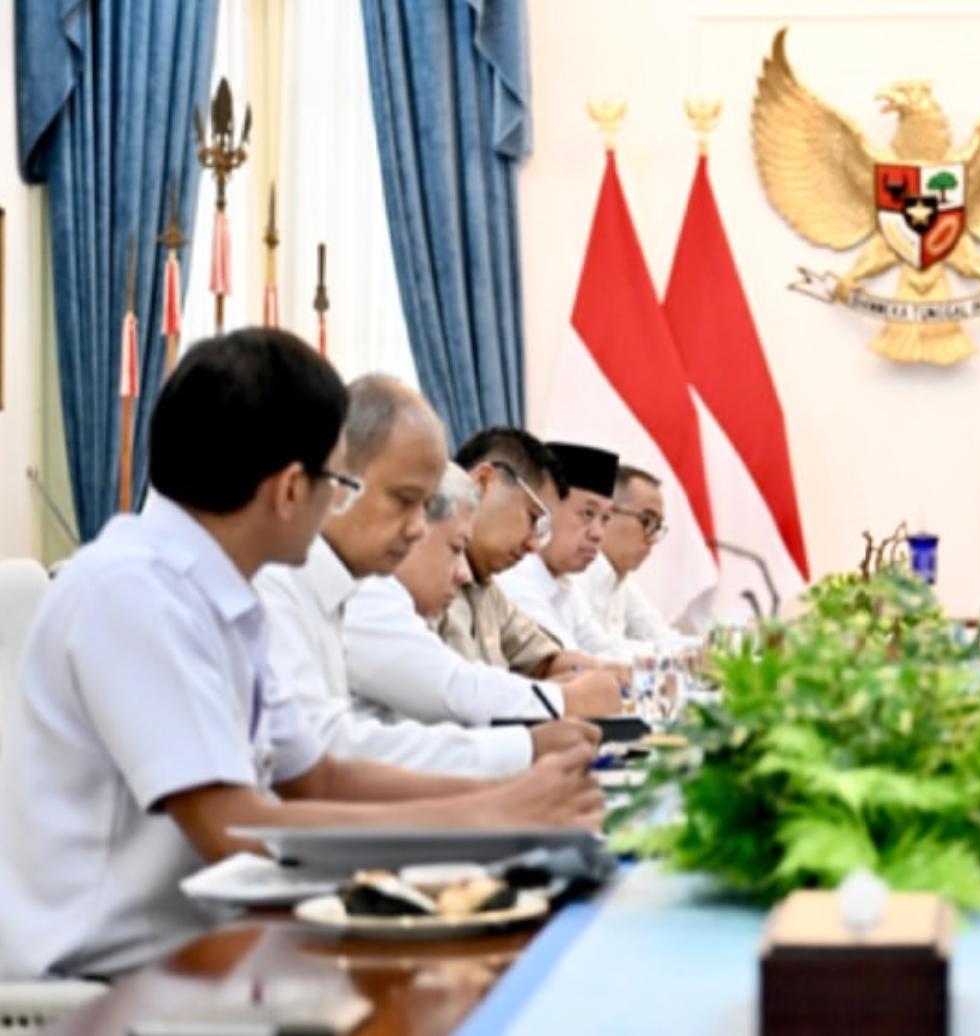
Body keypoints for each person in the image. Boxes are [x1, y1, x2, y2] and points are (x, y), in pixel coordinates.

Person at [0, 330, 601, 979]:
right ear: (292, 489)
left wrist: (511, 794)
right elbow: (236, 830)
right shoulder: (134, 591)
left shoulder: (225, 590)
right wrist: (486, 815)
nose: (339, 503)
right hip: (106, 982)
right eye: (338, 482)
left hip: (210, 944)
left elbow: (319, 777)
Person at [257, 377, 596, 776]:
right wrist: (534, 739)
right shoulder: (303, 583)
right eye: (405, 500)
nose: (417, 527)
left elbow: (360, 744)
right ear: (333, 479)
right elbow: (324, 765)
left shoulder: (344, 582)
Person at [434, 428, 621, 717]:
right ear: (484, 483)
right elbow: (453, 693)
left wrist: (602, 678)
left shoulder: (488, 585)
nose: (534, 544)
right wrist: (563, 696)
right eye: (533, 518)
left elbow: (545, 659)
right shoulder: (417, 572)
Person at [498, 442, 636, 661]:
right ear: (544, 511)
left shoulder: (563, 584)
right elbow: (571, 662)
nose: (598, 534)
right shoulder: (516, 575)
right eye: (587, 514)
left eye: (605, 518)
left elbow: (605, 647)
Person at [576, 464, 679, 650]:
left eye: (657, 527)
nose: (652, 539)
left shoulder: (620, 581)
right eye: (647, 521)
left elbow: (662, 636)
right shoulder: (575, 575)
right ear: (606, 514)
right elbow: (592, 651)